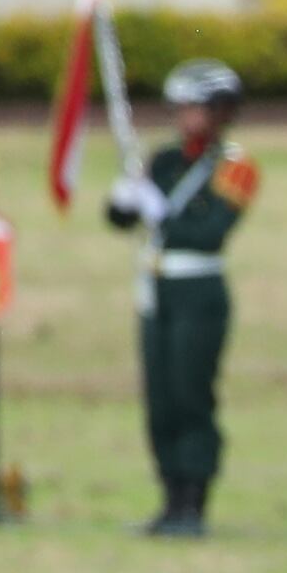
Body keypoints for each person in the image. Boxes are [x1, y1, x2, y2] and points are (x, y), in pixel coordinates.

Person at [105, 57, 253, 537]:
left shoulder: (235, 167)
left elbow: (210, 232)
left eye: (198, 108)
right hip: (158, 288)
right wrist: (122, 200)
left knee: (192, 394)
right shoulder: (164, 160)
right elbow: (123, 221)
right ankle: (168, 496)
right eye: (183, 107)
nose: (188, 117)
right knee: (161, 396)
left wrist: (160, 213)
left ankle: (194, 502)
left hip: (199, 290)